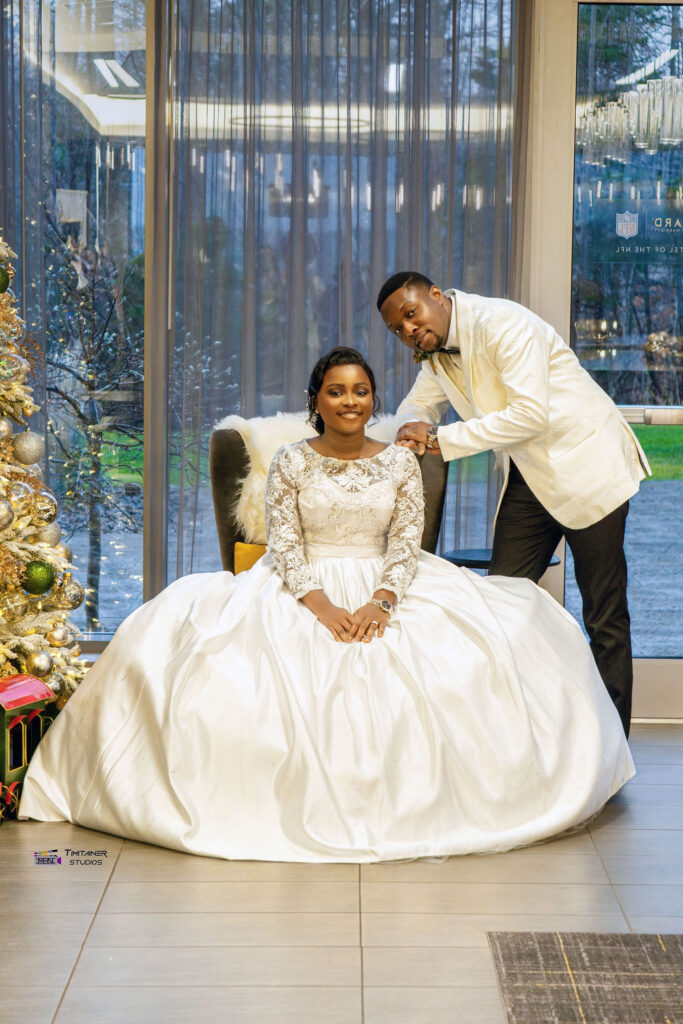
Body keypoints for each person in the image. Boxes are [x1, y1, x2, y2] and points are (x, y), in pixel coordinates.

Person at [19, 348, 634, 863]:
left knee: (503, 636)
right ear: (316, 399)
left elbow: (406, 542)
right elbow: (284, 544)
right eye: (336, 391)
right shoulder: (291, 460)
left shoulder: (400, 461)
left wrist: (381, 603)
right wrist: (320, 606)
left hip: (389, 583)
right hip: (300, 583)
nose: (350, 402)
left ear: (372, 399)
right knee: (201, 655)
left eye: (361, 391)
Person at [377, 272, 650, 737]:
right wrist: (411, 428)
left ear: (437, 297)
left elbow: (529, 415)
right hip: (530, 474)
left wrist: (439, 438)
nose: (408, 330)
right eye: (397, 329)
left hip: (587, 464)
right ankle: (515, 737)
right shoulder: (436, 351)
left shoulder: (503, 323)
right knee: (503, 602)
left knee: (603, 614)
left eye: (411, 314)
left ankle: (612, 747)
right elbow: (418, 404)